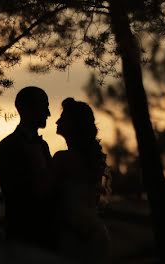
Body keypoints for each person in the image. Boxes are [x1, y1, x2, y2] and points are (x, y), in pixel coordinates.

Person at [0, 86, 55, 249]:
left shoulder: (43, 146)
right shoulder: (7, 146)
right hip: (23, 235)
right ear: (25, 108)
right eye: (44, 106)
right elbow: (15, 193)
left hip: (47, 235)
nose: (48, 113)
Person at [52, 98, 110, 264]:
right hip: (96, 232)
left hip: (75, 236)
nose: (57, 121)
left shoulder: (63, 159)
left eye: (63, 118)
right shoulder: (93, 158)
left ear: (73, 124)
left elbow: (41, 190)